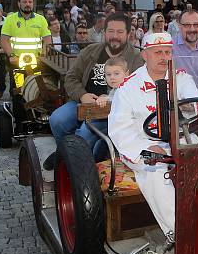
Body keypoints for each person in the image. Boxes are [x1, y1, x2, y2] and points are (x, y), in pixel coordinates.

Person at [108, 32, 198, 237]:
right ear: (145, 55)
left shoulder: (182, 78)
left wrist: (190, 107)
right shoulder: (128, 87)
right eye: (158, 52)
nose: (164, 57)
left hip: (180, 139)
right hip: (143, 144)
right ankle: (181, 235)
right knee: (156, 172)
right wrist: (146, 148)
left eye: (168, 52)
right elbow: (119, 129)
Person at [44, 13, 143, 169]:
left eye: (120, 32)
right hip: (84, 103)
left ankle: (77, 167)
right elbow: (71, 78)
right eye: (111, 31)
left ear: (128, 33)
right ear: (104, 32)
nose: (114, 36)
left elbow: (139, 88)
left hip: (113, 110)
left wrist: (115, 99)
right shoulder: (91, 51)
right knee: (57, 119)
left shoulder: (136, 57)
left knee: (85, 133)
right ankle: (66, 154)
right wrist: (82, 95)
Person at [0, 0, 51, 72]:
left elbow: (47, 40)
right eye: (24, 2)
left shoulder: (41, 19)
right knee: (19, 84)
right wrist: (11, 55)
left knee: (35, 84)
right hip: (16, 62)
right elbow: (4, 40)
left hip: (36, 62)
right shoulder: (10, 19)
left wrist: (43, 55)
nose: (28, 4)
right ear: (19, 4)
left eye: (30, 2)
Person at [172, 10, 198, 91]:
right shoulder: (169, 50)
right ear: (179, 26)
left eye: (196, 25)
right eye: (187, 25)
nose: (192, 29)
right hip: (179, 103)